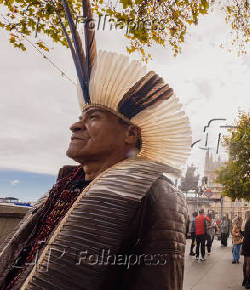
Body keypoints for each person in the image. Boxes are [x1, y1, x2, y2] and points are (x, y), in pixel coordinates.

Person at [0, 7, 191, 288]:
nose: (75, 126)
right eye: (80, 118)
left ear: (130, 133)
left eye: (92, 117)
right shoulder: (56, 191)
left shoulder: (158, 197)